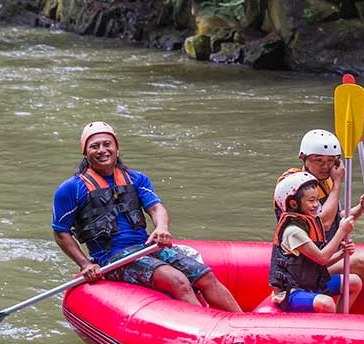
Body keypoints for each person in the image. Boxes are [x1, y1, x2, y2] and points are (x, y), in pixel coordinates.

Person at [52, 121, 241, 312]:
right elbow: (61, 232)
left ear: (117, 147)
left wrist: (161, 228)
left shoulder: (137, 179)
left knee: (206, 276)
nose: (102, 150)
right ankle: (204, 330)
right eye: (94, 146)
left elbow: (156, 208)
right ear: (85, 152)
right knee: (178, 280)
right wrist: (85, 264)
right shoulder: (71, 189)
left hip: (144, 249)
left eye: (107, 144)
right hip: (112, 259)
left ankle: (243, 325)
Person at [275, 129, 364, 315]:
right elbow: (323, 224)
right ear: (303, 157)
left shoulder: (325, 181)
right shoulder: (293, 185)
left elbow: (337, 217)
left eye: (330, 161)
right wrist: (337, 185)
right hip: (308, 259)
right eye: (318, 160)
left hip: (328, 253)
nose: (325, 166)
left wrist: (361, 208)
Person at [270, 171, 364, 313]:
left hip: (309, 284)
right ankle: (332, 331)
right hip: (290, 293)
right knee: (327, 303)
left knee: (353, 282)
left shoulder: (307, 223)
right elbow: (321, 258)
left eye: (317, 200)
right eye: (311, 201)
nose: (316, 205)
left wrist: (342, 254)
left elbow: (316, 265)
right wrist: (341, 231)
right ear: (293, 203)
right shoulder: (293, 231)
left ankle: (341, 322)